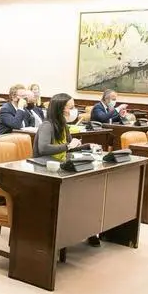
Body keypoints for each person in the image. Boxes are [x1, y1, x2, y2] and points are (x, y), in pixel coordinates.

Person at [33, 93, 100, 246]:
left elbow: (69, 147)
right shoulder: (47, 125)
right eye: (71, 107)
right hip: (46, 171)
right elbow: (43, 149)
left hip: (61, 168)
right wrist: (68, 146)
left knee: (90, 192)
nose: (73, 110)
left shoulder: (63, 124)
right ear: (60, 108)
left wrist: (87, 146)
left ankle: (89, 229)